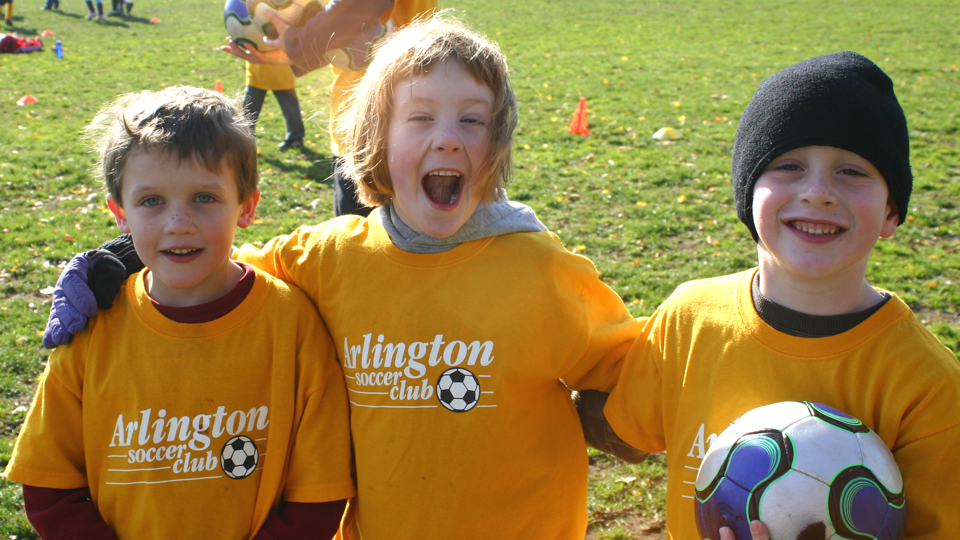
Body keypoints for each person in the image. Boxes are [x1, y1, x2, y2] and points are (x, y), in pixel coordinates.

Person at [41, 18, 643, 539]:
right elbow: (210, 260)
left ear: (499, 141)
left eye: (472, 120)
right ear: (376, 137)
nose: (447, 139)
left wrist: (635, 415)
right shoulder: (328, 258)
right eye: (421, 118)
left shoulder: (541, 270)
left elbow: (633, 374)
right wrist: (117, 261)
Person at [595, 52, 960, 540]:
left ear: (891, 211)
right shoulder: (690, 317)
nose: (817, 192)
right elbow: (625, 430)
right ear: (747, 194)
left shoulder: (927, 386)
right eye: (788, 165)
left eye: (852, 171)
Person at [5, 86, 355, 539]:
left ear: (247, 206)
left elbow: (319, 496)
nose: (179, 223)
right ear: (120, 213)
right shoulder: (94, 324)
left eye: (204, 198)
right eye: (152, 201)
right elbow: (48, 486)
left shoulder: (292, 323)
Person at [220, 0, 436, 217]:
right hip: (397, 123)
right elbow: (358, 31)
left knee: (361, 235)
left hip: (375, 130)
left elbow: (360, 7)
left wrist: (299, 43)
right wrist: (296, 52)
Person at [243, 62, 305, 150]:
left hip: (281, 70)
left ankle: (295, 139)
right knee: (249, 110)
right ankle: (244, 142)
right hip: (257, 71)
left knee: (290, 108)